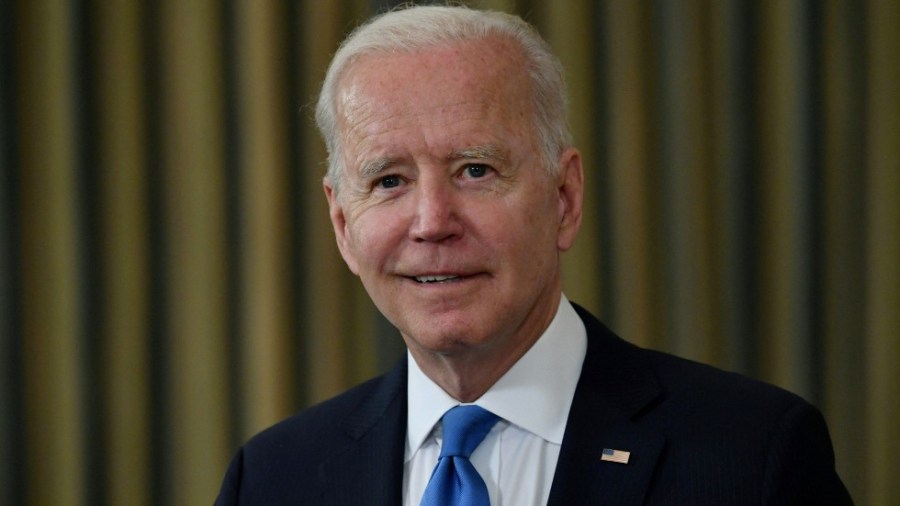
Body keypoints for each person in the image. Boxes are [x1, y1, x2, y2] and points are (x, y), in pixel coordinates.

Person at [216, 5, 851, 505]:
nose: (432, 222)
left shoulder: (751, 455)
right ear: (342, 225)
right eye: (389, 181)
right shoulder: (274, 477)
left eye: (475, 170)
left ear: (565, 198)